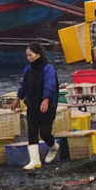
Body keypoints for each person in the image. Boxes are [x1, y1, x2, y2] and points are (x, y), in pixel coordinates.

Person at [11, 42, 60, 170]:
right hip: (32, 104)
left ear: (38, 54)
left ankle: (54, 147)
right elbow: (24, 86)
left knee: (45, 133)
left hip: (46, 106)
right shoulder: (27, 70)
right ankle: (35, 160)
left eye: (30, 55)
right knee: (32, 132)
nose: (28, 58)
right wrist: (17, 98)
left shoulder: (48, 68)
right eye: (27, 55)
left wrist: (46, 100)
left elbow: (49, 85)